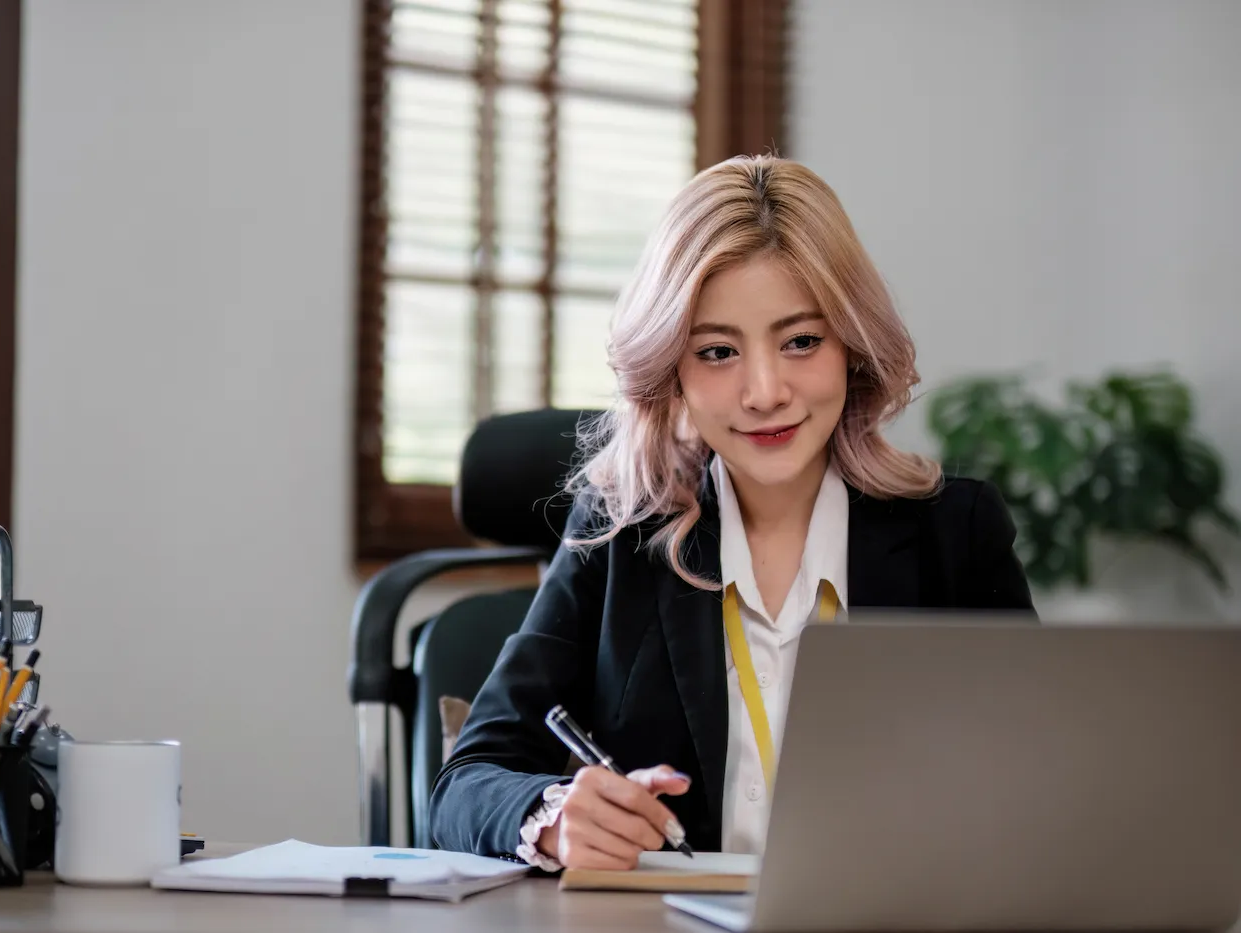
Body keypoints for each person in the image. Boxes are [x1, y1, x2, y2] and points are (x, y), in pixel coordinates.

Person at [429, 154, 1035, 872]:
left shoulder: (955, 535)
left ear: (854, 347)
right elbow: (466, 784)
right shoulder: (620, 532)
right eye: (717, 351)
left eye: (801, 341)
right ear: (671, 370)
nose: (764, 390)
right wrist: (556, 815)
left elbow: (1042, 782)